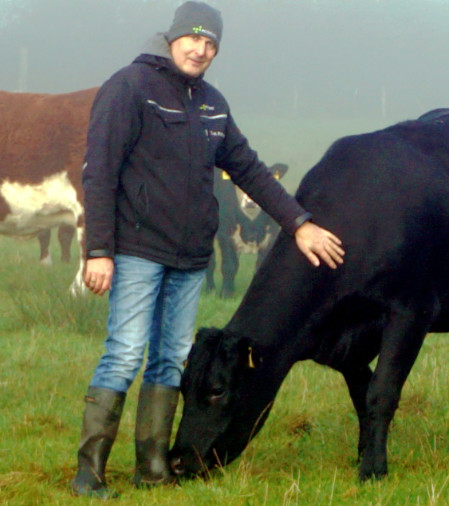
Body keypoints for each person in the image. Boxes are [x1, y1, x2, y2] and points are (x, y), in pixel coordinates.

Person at [70, 1, 344, 498]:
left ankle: (153, 466)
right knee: (125, 353)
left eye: (210, 42)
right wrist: (99, 250)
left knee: (171, 359)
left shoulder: (213, 104)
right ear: (172, 37)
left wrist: (298, 224)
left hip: (191, 257)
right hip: (136, 249)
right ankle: (89, 472)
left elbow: (250, 169)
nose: (199, 49)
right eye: (192, 38)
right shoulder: (129, 88)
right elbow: (100, 172)